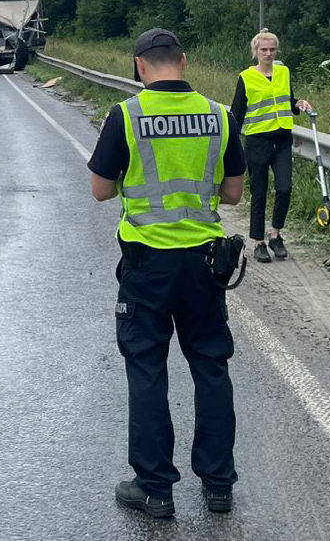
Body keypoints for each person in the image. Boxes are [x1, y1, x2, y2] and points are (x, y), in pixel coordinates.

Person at [88, 28, 246, 519]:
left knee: (148, 369)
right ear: (184, 59)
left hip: (147, 267)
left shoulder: (126, 116)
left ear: (139, 66)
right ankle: (218, 485)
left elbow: (99, 190)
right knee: (211, 369)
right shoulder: (220, 115)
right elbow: (235, 194)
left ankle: (155, 488)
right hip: (204, 265)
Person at [230, 30, 311, 263]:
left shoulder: (283, 72)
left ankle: (276, 234)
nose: (268, 53)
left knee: (284, 188)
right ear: (256, 51)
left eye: (272, 49)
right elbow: (237, 113)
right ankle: (258, 241)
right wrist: (230, 143)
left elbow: (289, 100)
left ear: (276, 50)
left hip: (282, 139)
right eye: (264, 49)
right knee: (259, 192)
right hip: (257, 142)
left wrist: (299, 104)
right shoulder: (246, 77)